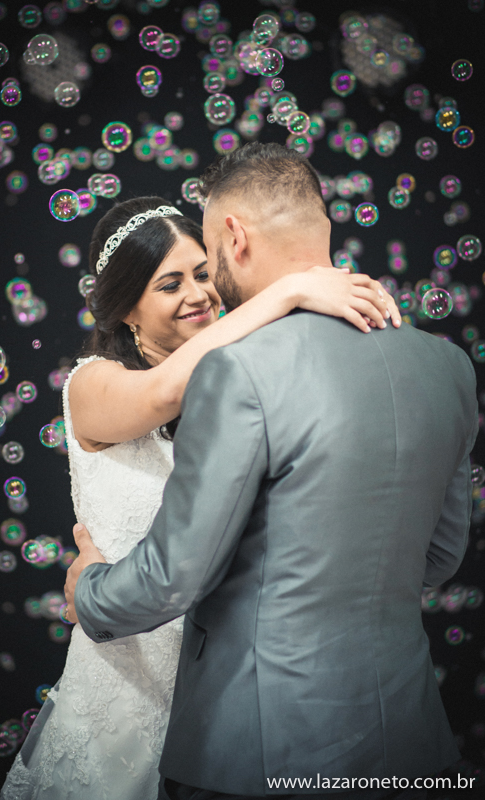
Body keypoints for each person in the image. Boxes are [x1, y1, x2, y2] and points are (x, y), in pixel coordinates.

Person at [65, 143, 479, 800]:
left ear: (233, 236)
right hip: (409, 733)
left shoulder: (237, 370)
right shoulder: (449, 366)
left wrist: (87, 590)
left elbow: (176, 574)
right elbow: (441, 557)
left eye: (205, 259)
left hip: (256, 746)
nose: (203, 290)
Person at [0, 190, 398, 800]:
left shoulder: (239, 382)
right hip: (124, 679)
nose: (200, 294)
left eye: (205, 273)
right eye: (169, 284)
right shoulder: (93, 385)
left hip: (222, 687)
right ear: (126, 308)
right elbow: (161, 394)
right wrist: (287, 291)